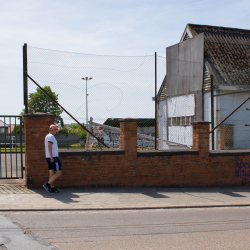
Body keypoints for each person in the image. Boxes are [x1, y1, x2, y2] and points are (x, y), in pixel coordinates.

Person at [43, 124, 62, 194]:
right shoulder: (51, 136)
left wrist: (48, 156)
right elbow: (49, 146)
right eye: (56, 130)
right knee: (58, 173)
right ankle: (47, 185)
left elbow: (47, 147)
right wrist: (51, 157)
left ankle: (52, 188)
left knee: (51, 174)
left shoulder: (47, 136)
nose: (56, 131)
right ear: (54, 130)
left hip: (49, 157)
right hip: (53, 157)